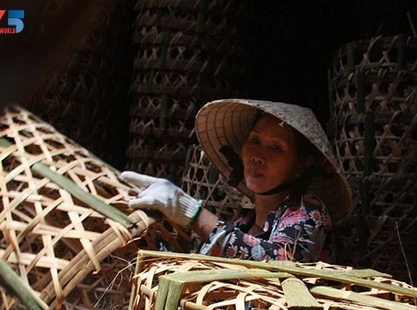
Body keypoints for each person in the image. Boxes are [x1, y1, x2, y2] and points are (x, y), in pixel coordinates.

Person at [121, 99, 351, 262]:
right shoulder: (244, 221)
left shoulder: (308, 213)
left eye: (275, 147)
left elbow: (277, 263)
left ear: (301, 165)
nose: (258, 156)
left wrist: (194, 214)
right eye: (254, 140)